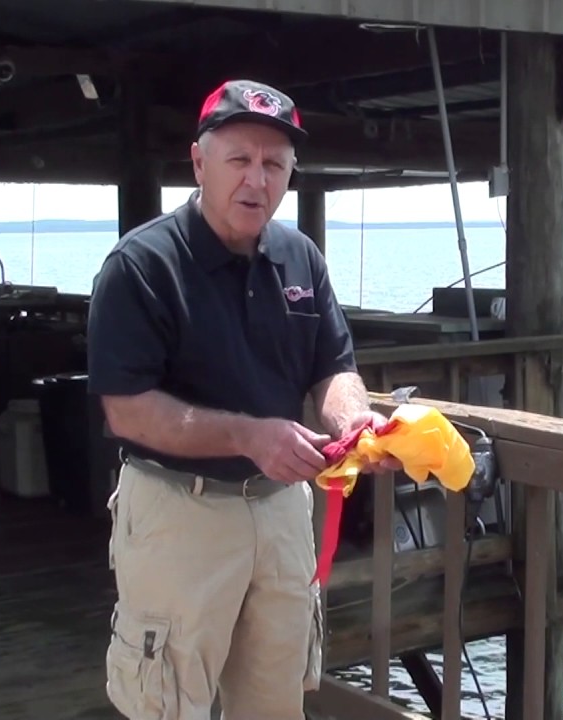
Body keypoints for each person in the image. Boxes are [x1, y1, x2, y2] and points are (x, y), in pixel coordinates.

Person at [86, 79, 399, 720]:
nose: (257, 180)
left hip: (284, 512)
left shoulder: (301, 258)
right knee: (166, 705)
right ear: (199, 163)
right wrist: (249, 435)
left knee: (278, 702)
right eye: (240, 160)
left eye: (274, 165)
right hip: (179, 512)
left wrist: (354, 421)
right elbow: (127, 408)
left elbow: (333, 366)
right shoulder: (141, 266)